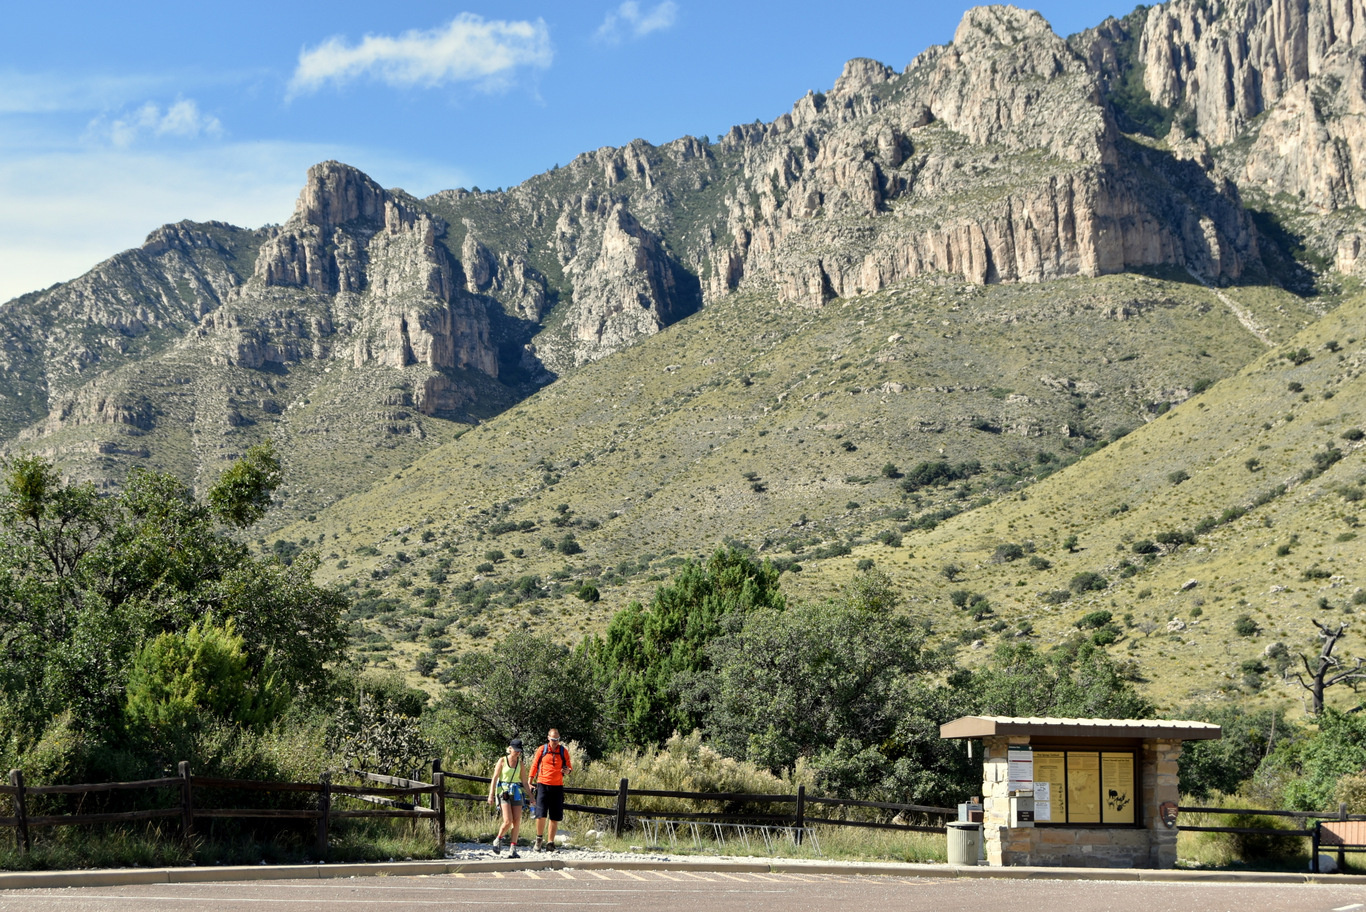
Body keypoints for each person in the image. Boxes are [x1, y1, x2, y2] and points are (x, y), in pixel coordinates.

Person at [530, 728, 572, 851]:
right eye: (553, 739)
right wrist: (530, 780)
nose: (555, 742)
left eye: (557, 740)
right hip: (542, 784)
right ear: (548, 738)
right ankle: (538, 839)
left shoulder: (563, 751)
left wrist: (567, 771)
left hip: (557, 786)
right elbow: (534, 765)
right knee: (541, 814)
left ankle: (550, 842)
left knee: (554, 816)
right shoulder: (542, 750)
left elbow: (569, 767)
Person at [486, 737, 529, 857]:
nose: (517, 752)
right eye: (516, 750)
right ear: (510, 749)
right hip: (503, 791)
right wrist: (491, 795)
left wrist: (532, 796)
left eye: (519, 750)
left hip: (516, 792)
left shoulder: (520, 764)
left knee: (517, 821)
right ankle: (498, 839)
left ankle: (513, 848)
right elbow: (495, 778)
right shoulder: (502, 761)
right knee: (508, 820)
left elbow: (525, 782)